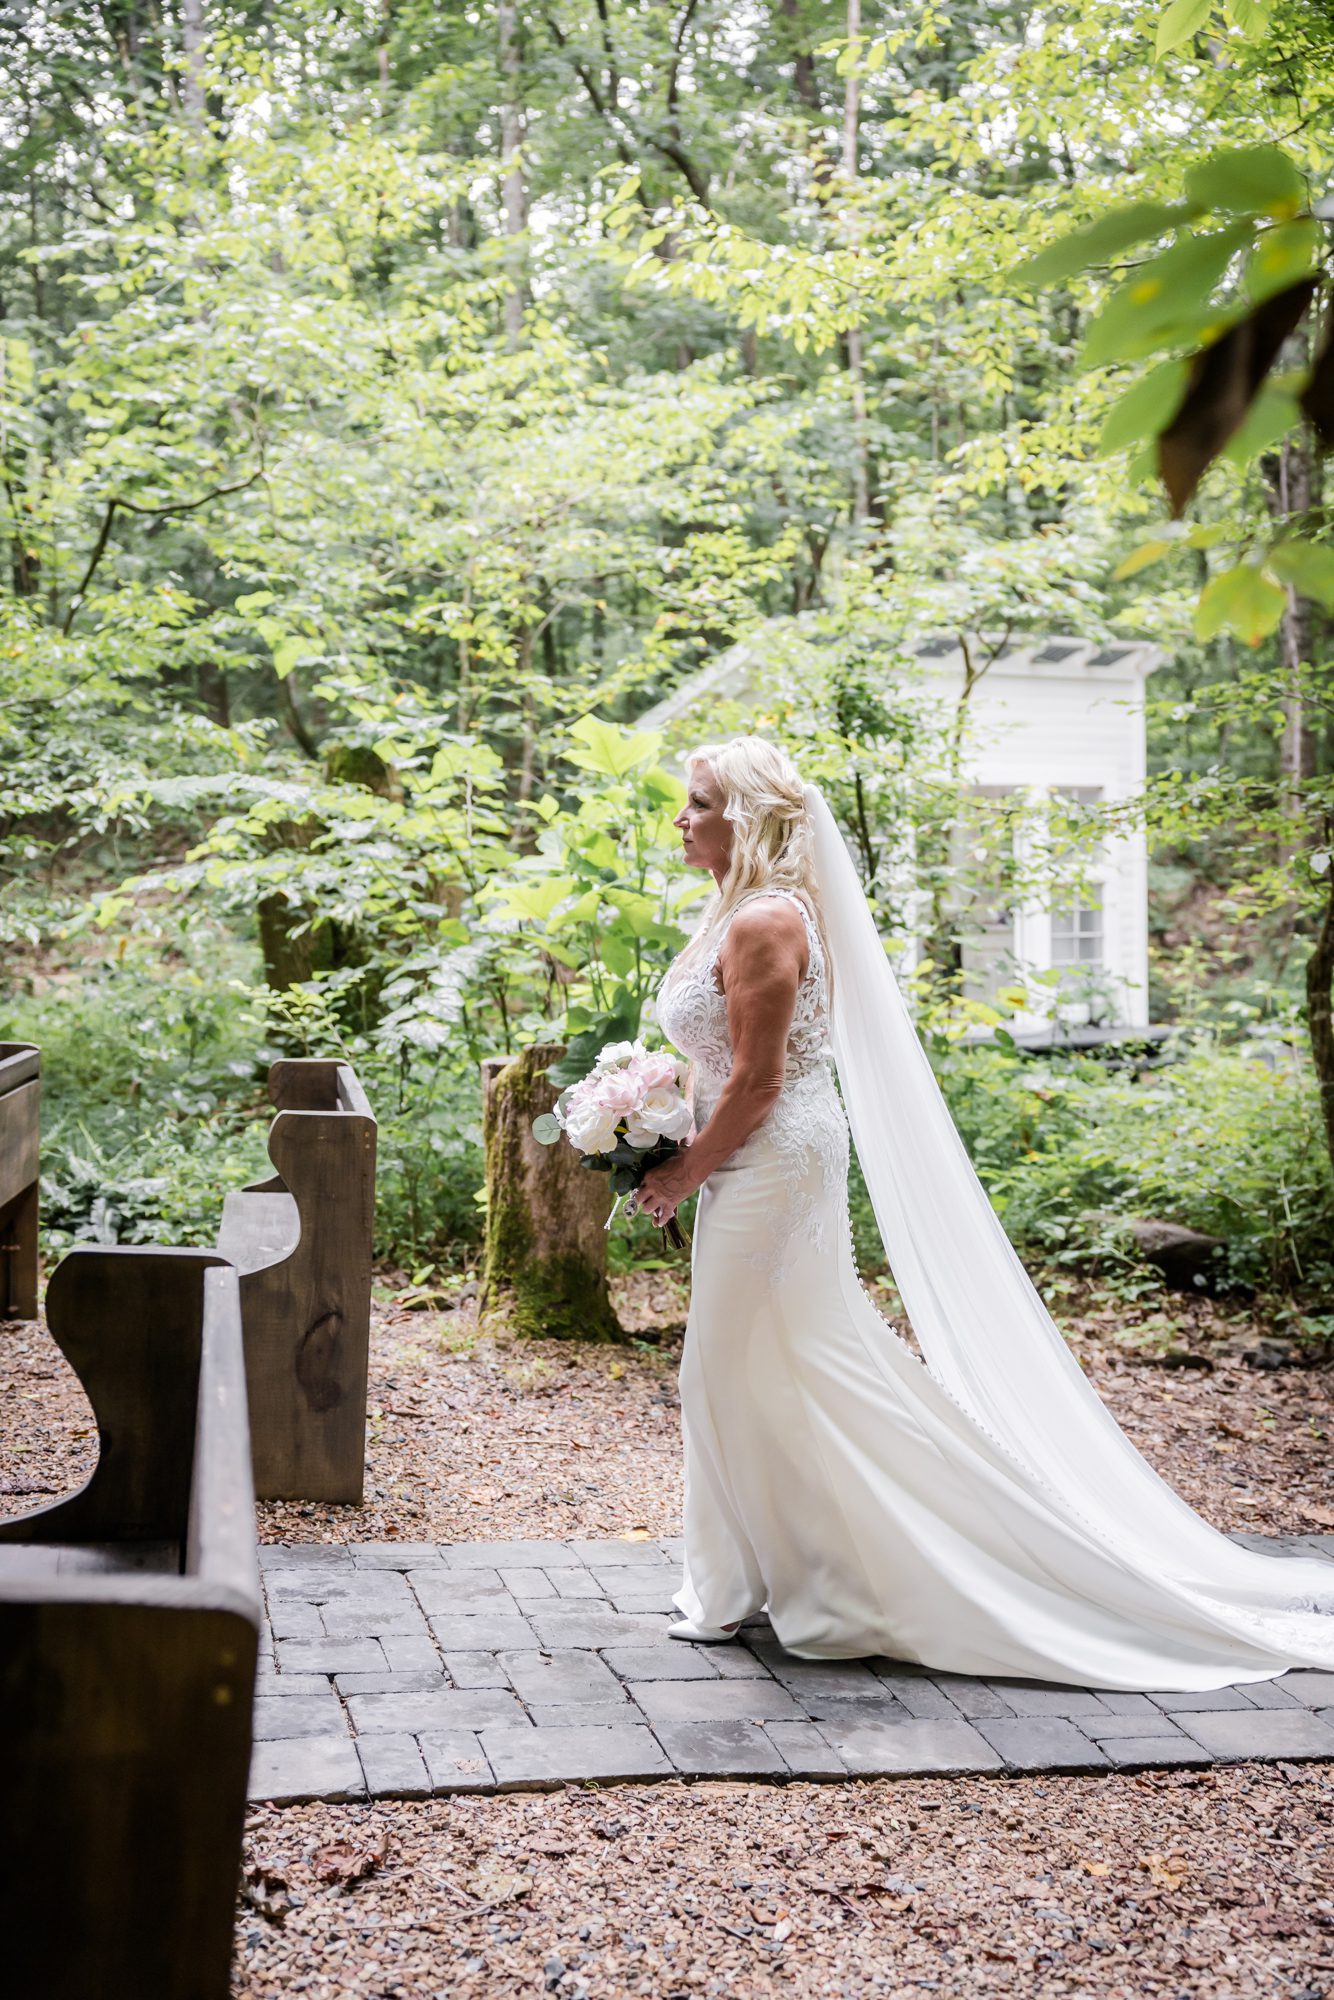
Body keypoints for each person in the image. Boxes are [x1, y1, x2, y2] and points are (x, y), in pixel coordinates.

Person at [632, 735, 1334, 1690]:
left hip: (770, 1159)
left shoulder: (765, 921)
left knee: (743, 1364)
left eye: (701, 802)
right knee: (752, 1366)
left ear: (750, 815)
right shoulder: (738, 911)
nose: (683, 818)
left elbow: (757, 1083)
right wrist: (651, 1114)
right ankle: (764, 1572)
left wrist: (681, 1171)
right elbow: (724, 1062)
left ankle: (862, 1580)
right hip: (743, 1159)